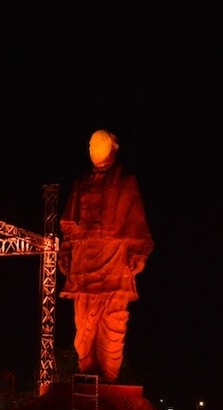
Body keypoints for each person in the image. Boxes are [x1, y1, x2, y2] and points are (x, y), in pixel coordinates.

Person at [59, 130, 154, 383]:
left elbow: (136, 222)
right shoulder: (80, 183)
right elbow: (69, 226)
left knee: (113, 320)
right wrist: (66, 251)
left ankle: (109, 376)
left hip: (114, 259)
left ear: (114, 146)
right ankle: (86, 370)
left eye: (99, 142)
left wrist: (137, 252)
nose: (93, 147)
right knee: (83, 321)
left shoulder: (126, 181)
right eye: (90, 143)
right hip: (83, 260)